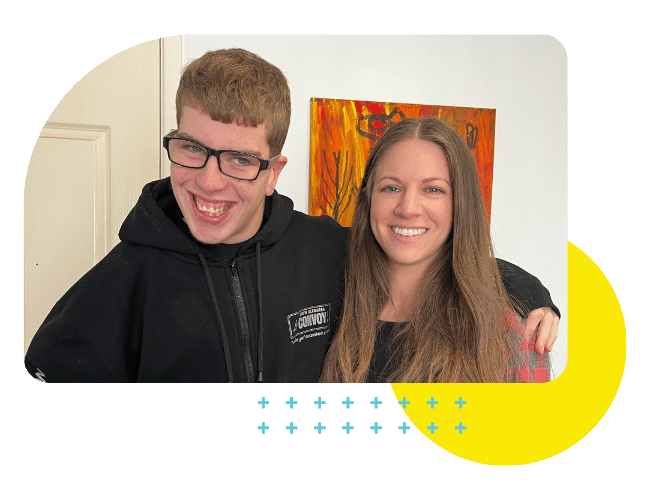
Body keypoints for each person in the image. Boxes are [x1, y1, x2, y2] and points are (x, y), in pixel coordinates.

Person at [25, 48, 558, 383]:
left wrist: (534, 295)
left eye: (240, 160)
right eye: (192, 149)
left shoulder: (324, 248)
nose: (209, 181)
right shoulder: (127, 275)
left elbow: (424, 250)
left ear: (274, 171)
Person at [319, 117, 557, 383]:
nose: (408, 208)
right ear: (368, 198)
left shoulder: (514, 332)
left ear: (461, 204)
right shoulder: (324, 308)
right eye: (391, 188)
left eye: (433, 189)